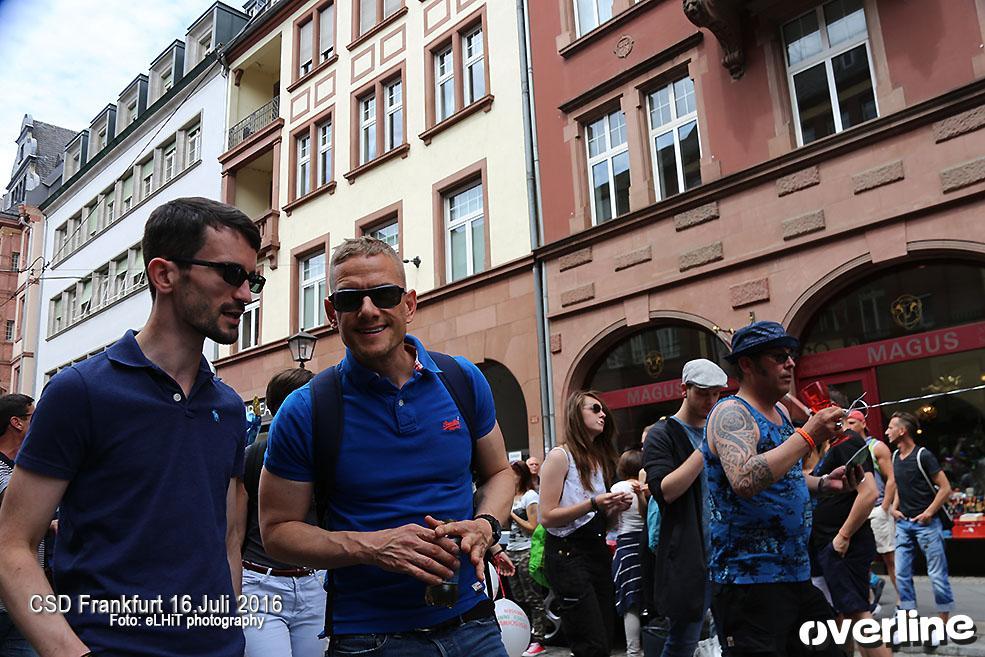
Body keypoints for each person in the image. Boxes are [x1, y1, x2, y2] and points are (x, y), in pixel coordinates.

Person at [0, 198, 262, 657]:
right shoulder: (80, 391)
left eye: (252, 279)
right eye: (230, 274)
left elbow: (226, 540)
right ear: (164, 275)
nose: (245, 294)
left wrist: (229, 630)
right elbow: (11, 544)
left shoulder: (228, 406)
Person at [259, 237, 513, 657]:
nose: (368, 309)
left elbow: (500, 472)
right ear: (332, 313)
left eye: (384, 294)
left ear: (409, 304)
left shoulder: (462, 379)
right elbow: (276, 532)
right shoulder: (307, 410)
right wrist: (374, 547)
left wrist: (486, 525)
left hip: (474, 623)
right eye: (350, 299)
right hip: (369, 638)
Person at [702, 321, 856, 657]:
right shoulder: (731, 413)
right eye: (778, 356)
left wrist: (824, 484)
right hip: (748, 583)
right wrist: (808, 436)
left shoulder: (782, 411)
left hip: (796, 574)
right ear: (747, 364)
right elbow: (744, 479)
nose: (790, 363)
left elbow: (785, 475)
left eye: (790, 355)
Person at [643, 358, 727, 657]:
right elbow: (665, 490)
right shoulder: (662, 433)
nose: (711, 401)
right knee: (683, 640)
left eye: (716, 394)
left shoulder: (721, 429)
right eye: (703, 393)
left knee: (733, 637)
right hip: (690, 555)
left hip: (727, 552)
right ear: (684, 389)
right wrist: (706, 447)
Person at [240, 368, 326, 657]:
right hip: (260, 584)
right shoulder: (254, 455)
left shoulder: (327, 455)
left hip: (313, 584)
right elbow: (234, 529)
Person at [539, 391, 632, 657]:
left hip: (595, 551)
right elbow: (546, 516)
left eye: (603, 410)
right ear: (576, 415)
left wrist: (613, 508)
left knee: (604, 637)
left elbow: (601, 520)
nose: (603, 415)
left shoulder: (598, 460)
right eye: (595, 409)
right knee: (591, 643)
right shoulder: (560, 456)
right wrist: (594, 503)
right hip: (567, 553)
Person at [808, 426, 889, 657]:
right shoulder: (830, 444)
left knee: (858, 615)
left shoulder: (845, 441)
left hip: (843, 545)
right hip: (829, 544)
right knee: (845, 617)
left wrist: (842, 537)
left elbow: (869, 492)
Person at [888, 412, 954, 628]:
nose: (887, 432)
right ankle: (909, 617)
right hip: (904, 524)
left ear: (902, 431)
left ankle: (943, 620)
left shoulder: (923, 456)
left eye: (891, 427)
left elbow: (945, 488)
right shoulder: (895, 456)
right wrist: (894, 507)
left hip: (927, 524)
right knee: (901, 573)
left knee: (937, 574)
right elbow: (901, 485)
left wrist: (929, 512)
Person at [0, 394, 39, 657]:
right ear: (17, 422)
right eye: (35, 417)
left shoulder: (23, 468)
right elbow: (17, 507)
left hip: (25, 598)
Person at [845, 410, 897, 600]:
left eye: (852, 422)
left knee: (890, 559)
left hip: (877, 508)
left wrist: (884, 508)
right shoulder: (846, 446)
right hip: (858, 510)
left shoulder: (876, 446)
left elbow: (891, 479)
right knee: (860, 559)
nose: (848, 427)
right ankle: (867, 602)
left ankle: (903, 601)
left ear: (863, 424)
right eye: (846, 423)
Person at [504, 461, 547, 657]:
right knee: (518, 598)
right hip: (511, 550)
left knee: (533, 597)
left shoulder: (530, 496)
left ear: (520, 475)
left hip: (526, 550)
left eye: (512, 474)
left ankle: (539, 639)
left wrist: (512, 515)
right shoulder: (511, 497)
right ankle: (525, 637)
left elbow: (533, 526)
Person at [610, 449, 646, 657]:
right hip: (645, 543)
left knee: (630, 601)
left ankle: (633, 651)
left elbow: (612, 520)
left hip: (626, 545)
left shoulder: (618, 488)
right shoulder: (646, 487)